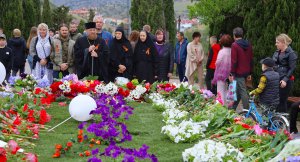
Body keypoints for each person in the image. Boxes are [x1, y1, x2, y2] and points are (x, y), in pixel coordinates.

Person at [229, 27, 253, 110]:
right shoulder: (248, 44)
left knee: (242, 90)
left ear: (234, 35)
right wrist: (250, 72)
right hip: (246, 71)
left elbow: (234, 61)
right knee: (239, 89)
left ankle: (246, 111)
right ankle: (233, 108)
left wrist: (231, 73)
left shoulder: (234, 45)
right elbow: (250, 59)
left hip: (238, 71)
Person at [272, 34, 298, 113]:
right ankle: (275, 121)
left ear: (283, 43)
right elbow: (273, 64)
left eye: (277, 42)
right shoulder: (277, 52)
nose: (276, 44)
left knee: (282, 101)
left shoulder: (291, 54)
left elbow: (292, 68)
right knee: (276, 101)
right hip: (276, 78)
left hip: (285, 81)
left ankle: (282, 122)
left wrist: (285, 80)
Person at [212, 34, 233, 105]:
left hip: (221, 73)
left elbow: (218, 62)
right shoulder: (232, 51)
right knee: (229, 91)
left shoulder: (222, 51)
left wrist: (216, 64)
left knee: (220, 91)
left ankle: (221, 106)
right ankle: (228, 107)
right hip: (231, 74)